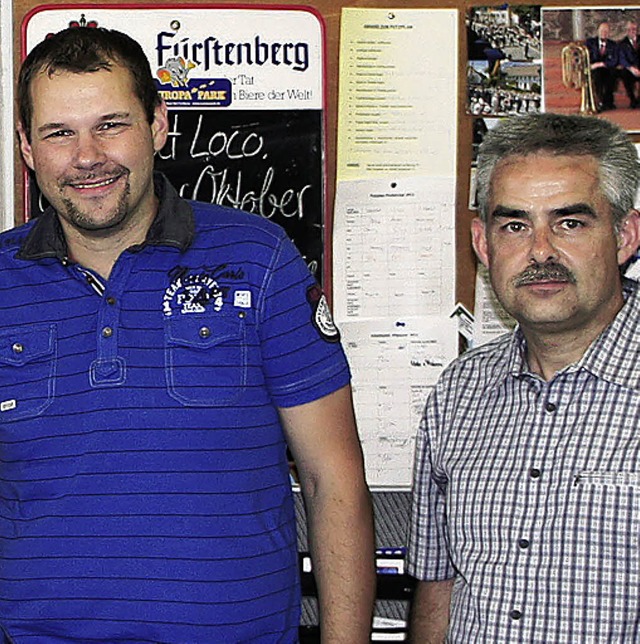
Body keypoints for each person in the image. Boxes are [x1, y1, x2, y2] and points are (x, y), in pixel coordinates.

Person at [6, 26, 375, 642]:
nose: (87, 155)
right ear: (26, 146)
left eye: (111, 124)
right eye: (58, 133)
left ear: (157, 124)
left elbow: (331, 478)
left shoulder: (261, 260)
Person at [408, 112, 640, 642]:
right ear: (483, 244)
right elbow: (438, 587)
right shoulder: (458, 394)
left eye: (570, 223)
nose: (540, 251)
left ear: (625, 235)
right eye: (515, 225)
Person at [585, 21, 618, 110]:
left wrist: (601, 64)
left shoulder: (613, 44)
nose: (604, 32)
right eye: (602, 30)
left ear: (609, 33)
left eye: (606, 31)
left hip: (607, 68)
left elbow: (615, 60)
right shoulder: (590, 43)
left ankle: (608, 102)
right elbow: (585, 57)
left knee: (613, 74)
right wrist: (591, 65)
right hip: (593, 69)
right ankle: (598, 102)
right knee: (597, 75)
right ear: (598, 31)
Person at [618, 19, 640, 108]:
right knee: (624, 75)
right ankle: (633, 100)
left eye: (634, 29)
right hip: (630, 69)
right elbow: (622, 59)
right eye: (630, 29)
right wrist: (631, 68)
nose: (632, 31)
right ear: (627, 31)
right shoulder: (622, 43)